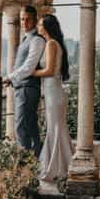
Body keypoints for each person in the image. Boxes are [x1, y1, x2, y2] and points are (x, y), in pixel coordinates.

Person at [31, 14, 74, 184]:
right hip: (53, 92)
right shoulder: (55, 44)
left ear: (47, 27)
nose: (38, 27)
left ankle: (59, 168)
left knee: (55, 130)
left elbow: (49, 70)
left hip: (53, 92)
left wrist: (32, 72)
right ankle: (61, 166)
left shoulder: (50, 44)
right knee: (56, 129)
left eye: (40, 24)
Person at [3, 5, 45, 155]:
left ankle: (26, 163)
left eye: (27, 19)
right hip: (23, 88)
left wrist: (10, 77)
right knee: (29, 126)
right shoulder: (27, 39)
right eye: (22, 19)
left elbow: (29, 66)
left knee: (21, 126)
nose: (24, 22)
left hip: (28, 89)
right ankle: (34, 162)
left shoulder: (36, 40)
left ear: (35, 20)